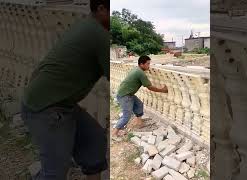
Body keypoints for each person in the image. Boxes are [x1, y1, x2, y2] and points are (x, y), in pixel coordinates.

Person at [20, 0, 109, 180]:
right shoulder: (98, 34)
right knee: (55, 172)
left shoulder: (86, 26)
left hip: (56, 103)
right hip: (47, 107)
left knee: (94, 139)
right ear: (101, 9)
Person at [112, 55, 168, 137]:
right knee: (126, 116)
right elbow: (150, 87)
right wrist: (162, 90)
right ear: (141, 64)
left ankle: (139, 123)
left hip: (127, 94)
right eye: (148, 64)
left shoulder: (136, 69)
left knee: (139, 104)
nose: (149, 66)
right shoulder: (140, 73)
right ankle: (114, 133)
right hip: (125, 96)